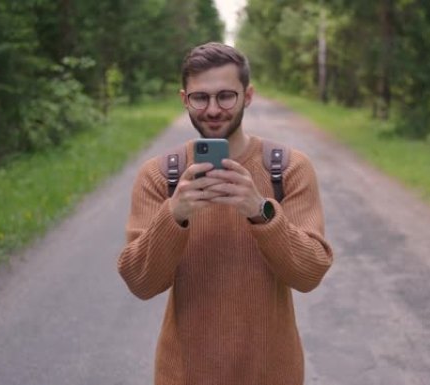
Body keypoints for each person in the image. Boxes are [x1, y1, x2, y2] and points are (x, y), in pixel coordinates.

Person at [117, 42, 333, 385]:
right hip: (184, 375)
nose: (213, 109)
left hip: (272, 375)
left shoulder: (289, 169)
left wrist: (259, 211)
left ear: (248, 96)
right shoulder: (160, 176)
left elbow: (309, 275)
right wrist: (174, 216)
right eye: (200, 97)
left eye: (226, 96)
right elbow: (141, 283)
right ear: (184, 98)